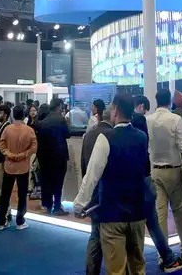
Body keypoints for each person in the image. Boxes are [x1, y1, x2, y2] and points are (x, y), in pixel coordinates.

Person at [74, 94, 148, 275]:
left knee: (116, 270)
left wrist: (79, 204)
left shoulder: (105, 138)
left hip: (112, 214)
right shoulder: (142, 137)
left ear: (115, 110)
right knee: (138, 267)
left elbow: (92, 176)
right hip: (137, 213)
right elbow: (146, 170)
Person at [147, 89, 182, 258]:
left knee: (160, 214)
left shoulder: (148, 120)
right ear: (170, 102)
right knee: (178, 211)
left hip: (155, 171)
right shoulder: (175, 119)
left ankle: (163, 253)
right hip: (174, 171)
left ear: (156, 100)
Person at [81, 109, 114, 275]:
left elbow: (84, 165)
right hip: (108, 192)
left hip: (93, 191)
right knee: (111, 237)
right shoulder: (111, 136)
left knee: (95, 234)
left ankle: (91, 271)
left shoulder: (88, 135)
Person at [0, 106, 37, 231]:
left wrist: (9, 154)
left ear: (13, 115)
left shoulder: (7, 129)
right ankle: (20, 221)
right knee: (22, 195)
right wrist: (23, 155)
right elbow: (34, 147)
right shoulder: (29, 130)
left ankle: (1, 221)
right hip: (23, 166)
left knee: (5, 194)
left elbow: (1, 144)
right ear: (24, 115)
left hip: (9, 166)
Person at [36, 98, 70, 215]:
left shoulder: (42, 122)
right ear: (59, 106)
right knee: (58, 182)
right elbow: (68, 134)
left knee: (46, 181)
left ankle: (47, 205)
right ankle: (57, 207)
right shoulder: (61, 120)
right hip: (59, 156)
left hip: (44, 157)